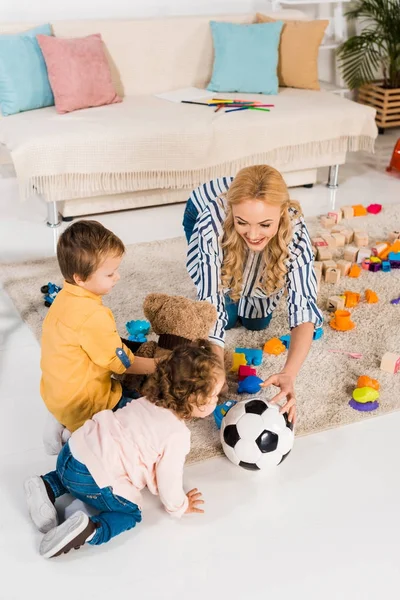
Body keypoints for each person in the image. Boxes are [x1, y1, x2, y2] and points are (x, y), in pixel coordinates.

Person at [24, 341, 224, 558]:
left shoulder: (143, 402)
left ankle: (46, 485)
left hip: (70, 454)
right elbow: (169, 479)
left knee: (85, 462)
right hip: (91, 480)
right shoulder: (178, 435)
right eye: (213, 396)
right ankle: (89, 530)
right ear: (193, 398)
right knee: (131, 513)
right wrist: (180, 505)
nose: (217, 400)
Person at [183, 165, 323, 423]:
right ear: (232, 214)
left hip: (255, 223)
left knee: (257, 322)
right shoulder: (211, 221)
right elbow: (210, 300)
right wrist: (217, 370)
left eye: (265, 224)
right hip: (200, 208)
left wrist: (289, 374)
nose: (254, 234)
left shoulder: (296, 230)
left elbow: (304, 307)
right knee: (223, 312)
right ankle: (234, 286)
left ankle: (241, 291)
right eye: (243, 222)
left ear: (281, 214)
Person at [40, 220, 156, 455]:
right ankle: (81, 433)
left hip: (55, 395)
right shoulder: (94, 315)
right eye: (110, 273)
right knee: (146, 415)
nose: (117, 277)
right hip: (87, 404)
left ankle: (63, 422)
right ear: (80, 278)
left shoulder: (63, 298)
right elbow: (123, 364)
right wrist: (159, 366)